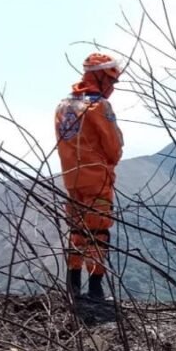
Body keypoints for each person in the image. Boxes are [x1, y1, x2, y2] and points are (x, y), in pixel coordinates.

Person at [54, 53, 123, 301]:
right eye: (112, 81)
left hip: (71, 180)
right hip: (97, 180)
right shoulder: (99, 107)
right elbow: (114, 147)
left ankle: (72, 285)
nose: (113, 87)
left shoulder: (63, 106)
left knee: (77, 231)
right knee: (98, 233)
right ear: (102, 76)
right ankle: (95, 289)